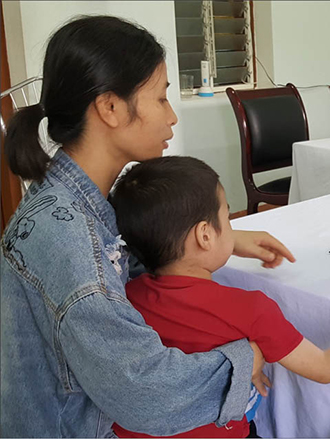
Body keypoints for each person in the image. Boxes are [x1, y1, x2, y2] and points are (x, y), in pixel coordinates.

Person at [1, 15, 296, 437]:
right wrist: (246, 358)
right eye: (160, 98)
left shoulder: (64, 200)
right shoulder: (70, 239)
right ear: (110, 108)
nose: (172, 117)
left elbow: (121, 263)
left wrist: (227, 239)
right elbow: (147, 393)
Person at [107, 155, 330, 438]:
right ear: (205, 235)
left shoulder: (125, 296)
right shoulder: (248, 308)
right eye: (227, 217)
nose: (232, 227)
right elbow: (326, 367)